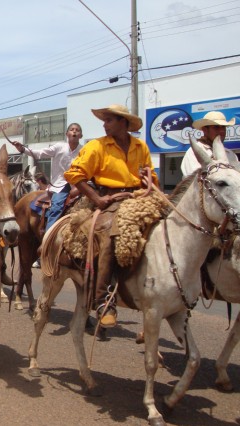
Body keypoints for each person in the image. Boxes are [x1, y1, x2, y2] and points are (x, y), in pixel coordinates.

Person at [64, 104, 158, 329]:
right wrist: (97, 199)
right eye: (104, 121)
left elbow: (152, 175)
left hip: (138, 197)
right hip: (110, 199)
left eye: (109, 120)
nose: (104, 125)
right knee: (111, 234)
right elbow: (74, 174)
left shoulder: (140, 146)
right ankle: (104, 300)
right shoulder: (97, 146)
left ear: (123, 122)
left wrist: (149, 181)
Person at [10, 123, 83, 232]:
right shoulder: (59, 147)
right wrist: (23, 149)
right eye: (72, 129)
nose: (74, 131)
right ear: (66, 134)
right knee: (57, 207)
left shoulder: (84, 150)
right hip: (61, 185)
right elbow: (40, 153)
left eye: (77, 130)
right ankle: (49, 237)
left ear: (81, 135)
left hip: (80, 184)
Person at [180, 111, 239, 176]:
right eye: (216, 127)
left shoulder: (231, 154)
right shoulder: (193, 153)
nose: (222, 131)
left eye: (223, 127)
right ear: (205, 130)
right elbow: (195, 180)